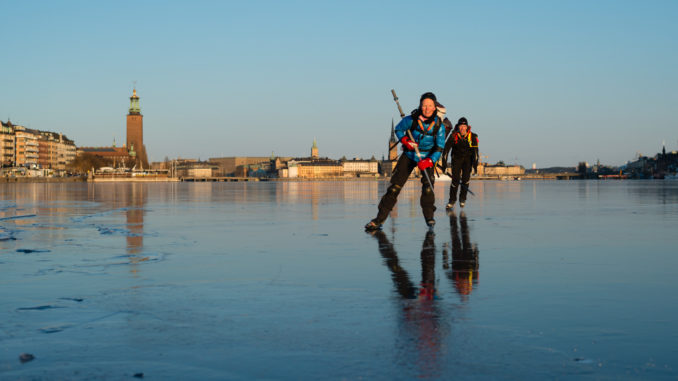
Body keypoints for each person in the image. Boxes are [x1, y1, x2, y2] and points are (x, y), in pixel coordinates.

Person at [365, 92, 446, 230]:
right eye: (424, 105)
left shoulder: (439, 126)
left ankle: (429, 217)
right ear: (420, 106)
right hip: (409, 155)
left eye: (430, 105)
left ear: (434, 107)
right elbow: (399, 129)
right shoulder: (411, 119)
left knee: (428, 188)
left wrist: (430, 161)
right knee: (394, 188)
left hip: (426, 158)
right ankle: (379, 219)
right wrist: (405, 141)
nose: (427, 108)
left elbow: (439, 147)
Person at [442, 117, 479, 209]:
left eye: (464, 126)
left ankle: (462, 199)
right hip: (456, 159)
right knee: (455, 180)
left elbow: (475, 153)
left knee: (466, 180)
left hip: (467, 160)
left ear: (467, 127)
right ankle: (452, 200)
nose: (462, 128)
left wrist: (475, 166)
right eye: (461, 126)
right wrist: (444, 165)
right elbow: (445, 151)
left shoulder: (472, 137)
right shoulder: (453, 136)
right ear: (458, 127)